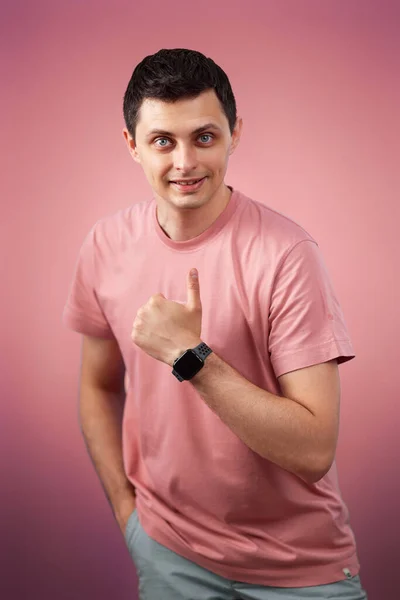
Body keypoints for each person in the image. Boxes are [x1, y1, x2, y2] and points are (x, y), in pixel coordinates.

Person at [63, 48, 368, 599]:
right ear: (131, 144)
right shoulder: (104, 246)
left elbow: (313, 448)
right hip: (167, 552)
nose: (185, 162)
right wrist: (129, 515)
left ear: (234, 134)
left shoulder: (286, 254)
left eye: (204, 137)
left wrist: (191, 358)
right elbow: (97, 385)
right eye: (163, 141)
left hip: (297, 568)